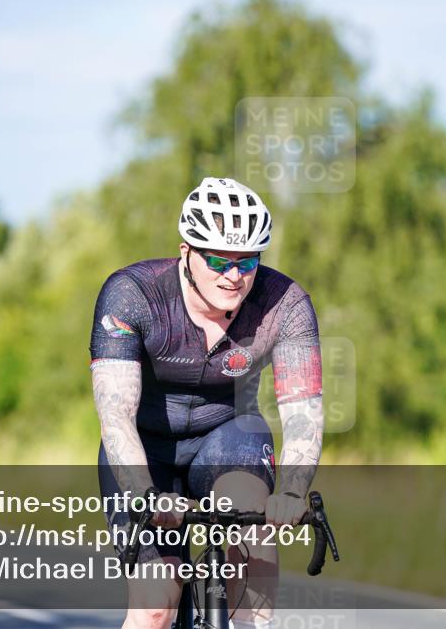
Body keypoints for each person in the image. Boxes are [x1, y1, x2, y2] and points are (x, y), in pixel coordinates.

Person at [90, 177, 324, 629]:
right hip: (145, 448)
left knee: (251, 535)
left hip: (228, 435)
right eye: (218, 259)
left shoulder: (285, 304)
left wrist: (292, 492)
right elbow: (115, 414)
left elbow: (304, 415)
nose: (233, 276)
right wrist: (143, 494)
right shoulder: (132, 294)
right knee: (155, 608)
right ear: (186, 252)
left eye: (247, 261)